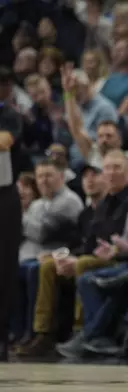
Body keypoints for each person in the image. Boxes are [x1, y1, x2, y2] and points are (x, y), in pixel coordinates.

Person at [0, 66, 27, 360]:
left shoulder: (8, 114)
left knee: (4, 267)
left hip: (3, 195)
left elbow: (4, 141)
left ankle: (2, 334)